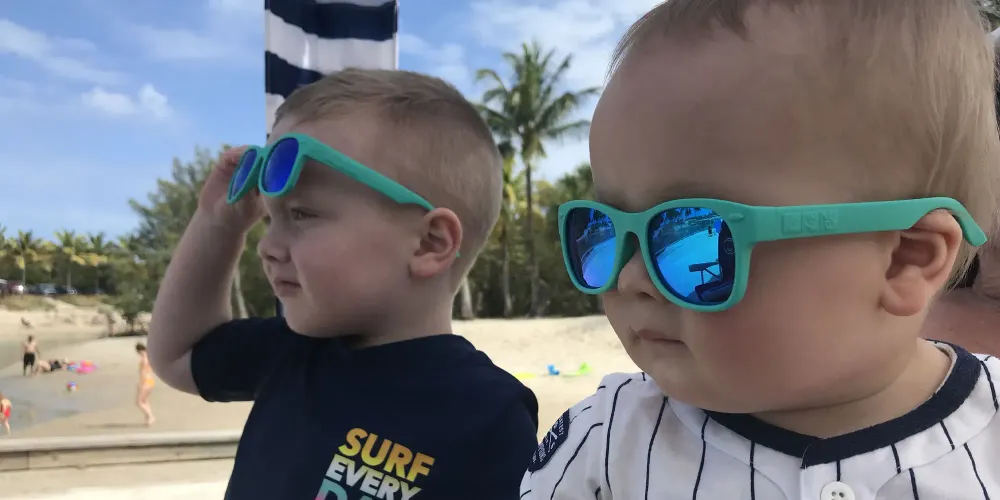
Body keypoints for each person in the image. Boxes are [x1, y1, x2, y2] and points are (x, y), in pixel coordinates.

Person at [521, 1, 1000, 499]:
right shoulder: (605, 445)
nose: (629, 279)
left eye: (694, 232)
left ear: (906, 258)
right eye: (601, 232)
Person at [147, 68, 539, 499]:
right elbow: (176, 355)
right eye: (270, 219)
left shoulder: (485, 414)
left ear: (429, 243)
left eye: (302, 215)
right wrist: (217, 223)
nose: (268, 247)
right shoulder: (291, 352)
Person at [135, 343, 155, 426]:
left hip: (146, 381)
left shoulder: (143, 359)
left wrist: (140, 384)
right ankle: (149, 418)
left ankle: (150, 416)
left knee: (139, 402)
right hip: (151, 380)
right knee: (145, 400)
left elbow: (143, 372)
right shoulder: (149, 357)